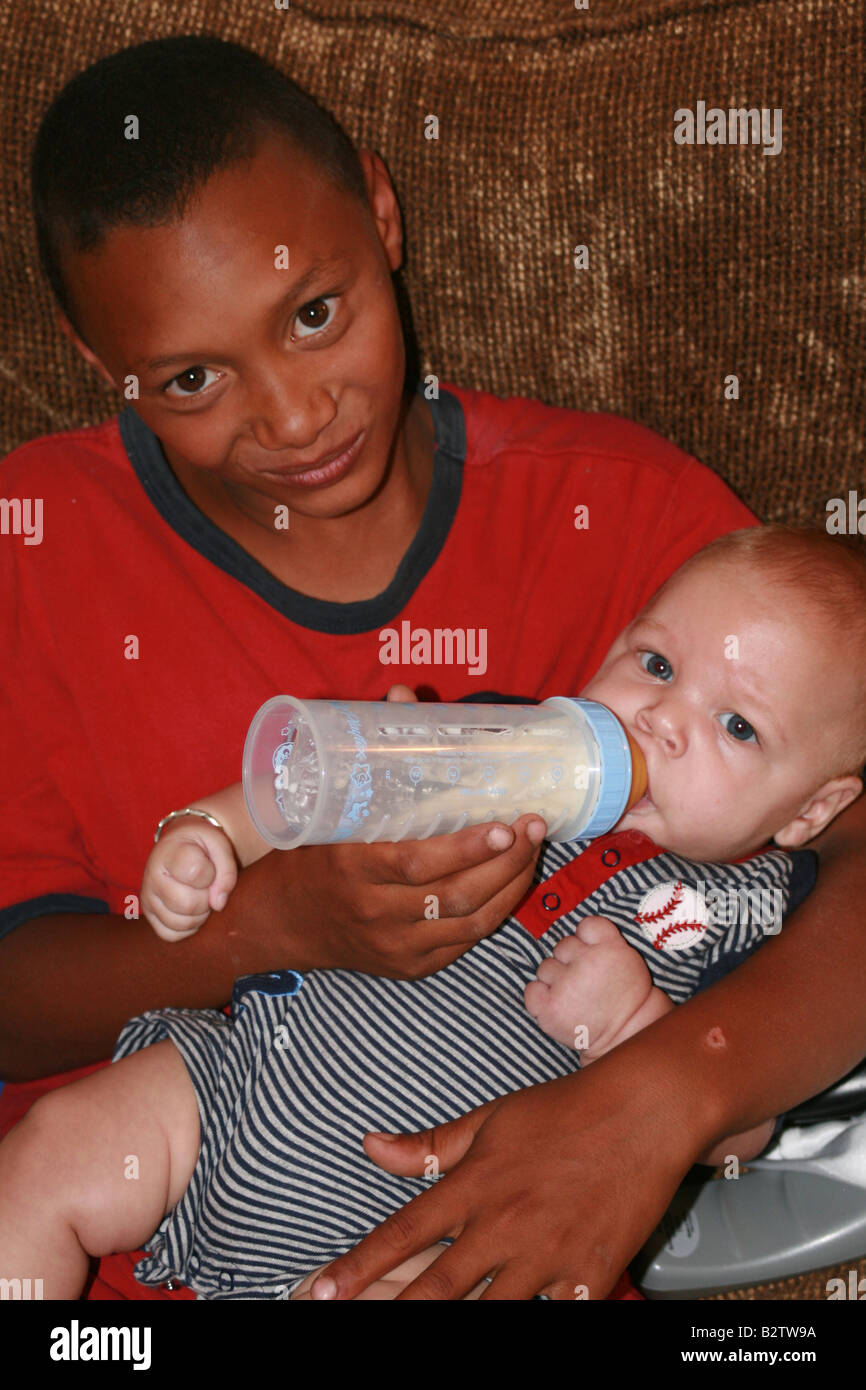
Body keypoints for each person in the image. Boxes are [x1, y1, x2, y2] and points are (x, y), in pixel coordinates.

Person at [1, 34, 864, 1302]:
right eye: (190, 377)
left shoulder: (617, 521)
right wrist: (268, 926)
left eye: (314, 313)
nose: (295, 417)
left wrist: (659, 1097)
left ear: (382, 212)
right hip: (138, 1223)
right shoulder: (34, 551)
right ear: (98, 364)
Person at [1, 524, 864, 1299]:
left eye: (738, 728)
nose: (663, 721)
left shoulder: (760, 914)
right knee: (52, 1149)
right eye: (658, 665)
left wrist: (633, 1023)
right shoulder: (509, 746)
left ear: (808, 814)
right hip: (234, 1092)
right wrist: (208, 832)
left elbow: (738, 1133)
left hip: (426, 1224)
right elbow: (323, 783)